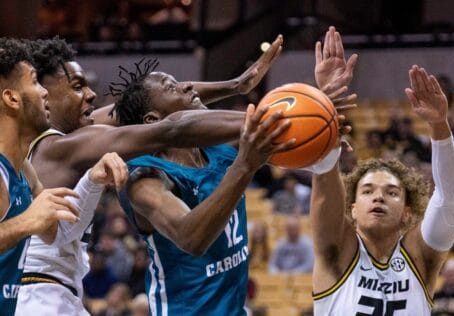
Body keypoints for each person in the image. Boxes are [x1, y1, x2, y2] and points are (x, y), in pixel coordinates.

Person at [16, 34, 284, 316]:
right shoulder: (59, 148)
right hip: (40, 296)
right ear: (43, 93)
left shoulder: (58, 142)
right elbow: (169, 127)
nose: (92, 94)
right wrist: (273, 119)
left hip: (51, 292)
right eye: (77, 86)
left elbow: (148, 106)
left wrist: (235, 86)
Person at [116, 26, 357, 315]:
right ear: (152, 119)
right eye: (172, 88)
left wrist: (323, 106)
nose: (189, 86)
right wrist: (244, 166)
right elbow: (191, 238)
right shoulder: (144, 179)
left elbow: (303, 151)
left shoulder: (220, 149)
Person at [310, 65, 454, 315]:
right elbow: (325, 177)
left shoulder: (419, 259)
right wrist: (328, 105)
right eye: (368, 191)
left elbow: (452, 197)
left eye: (392, 192)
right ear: (352, 208)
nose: (379, 196)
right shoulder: (338, 253)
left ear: (407, 212)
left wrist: (439, 126)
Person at [0, 38, 128, 315]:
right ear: (11, 98)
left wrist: (92, 181)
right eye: (35, 83)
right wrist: (25, 222)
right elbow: (30, 224)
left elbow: (59, 234)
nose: (44, 92)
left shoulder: (23, 169)